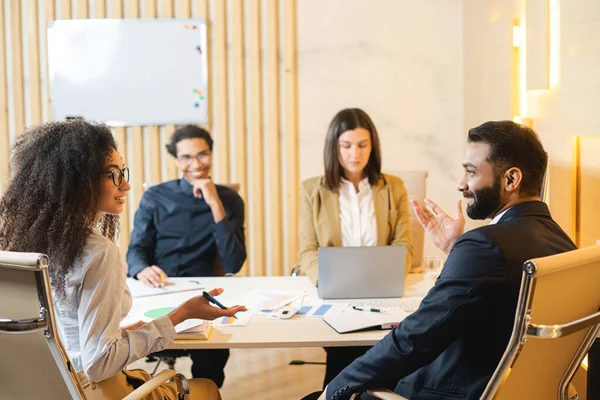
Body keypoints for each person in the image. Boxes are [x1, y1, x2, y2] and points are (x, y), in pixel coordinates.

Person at [305, 120, 577, 400]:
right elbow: (495, 303)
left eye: (471, 172)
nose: (461, 184)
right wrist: (455, 248)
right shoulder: (563, 244)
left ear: (511, 179)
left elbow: (414, 339)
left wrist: (334, 390)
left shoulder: (485, 245)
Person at [0, 120, 246, 399]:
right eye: (114, 175)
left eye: (123, 173)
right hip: (93, 389)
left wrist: (121, 333)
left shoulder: (26, 247)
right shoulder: (98, 252)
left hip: (49, 388)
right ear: (81, 182)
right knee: (208, 389)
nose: (126, 185)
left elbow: (65, 332)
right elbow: (98, 364)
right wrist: (182, 314)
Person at [298, 108, 414, 388]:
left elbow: (404, 246)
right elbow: (307, 251)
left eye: (363, 145)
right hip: (337, 296)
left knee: (379, 347)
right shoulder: (312, 189)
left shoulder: (393, 187)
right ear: (333, 146)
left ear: (373, 146)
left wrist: (388, 279)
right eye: (346, 145)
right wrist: (327, 282)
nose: (355, 154)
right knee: (348, 351)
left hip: (382, 295)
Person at [127, 124, 246, 387]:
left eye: (202, 154)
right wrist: (141, 269)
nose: (196, 164)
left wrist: (215, 203)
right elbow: (136, 250)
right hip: (160, 289)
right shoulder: (156, 197)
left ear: (212, 154)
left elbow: (234, 263)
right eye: (186, 157)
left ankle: (204, 391)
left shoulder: (229, 200)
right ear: (176, 160)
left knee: (210, 367)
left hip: (205, 292)